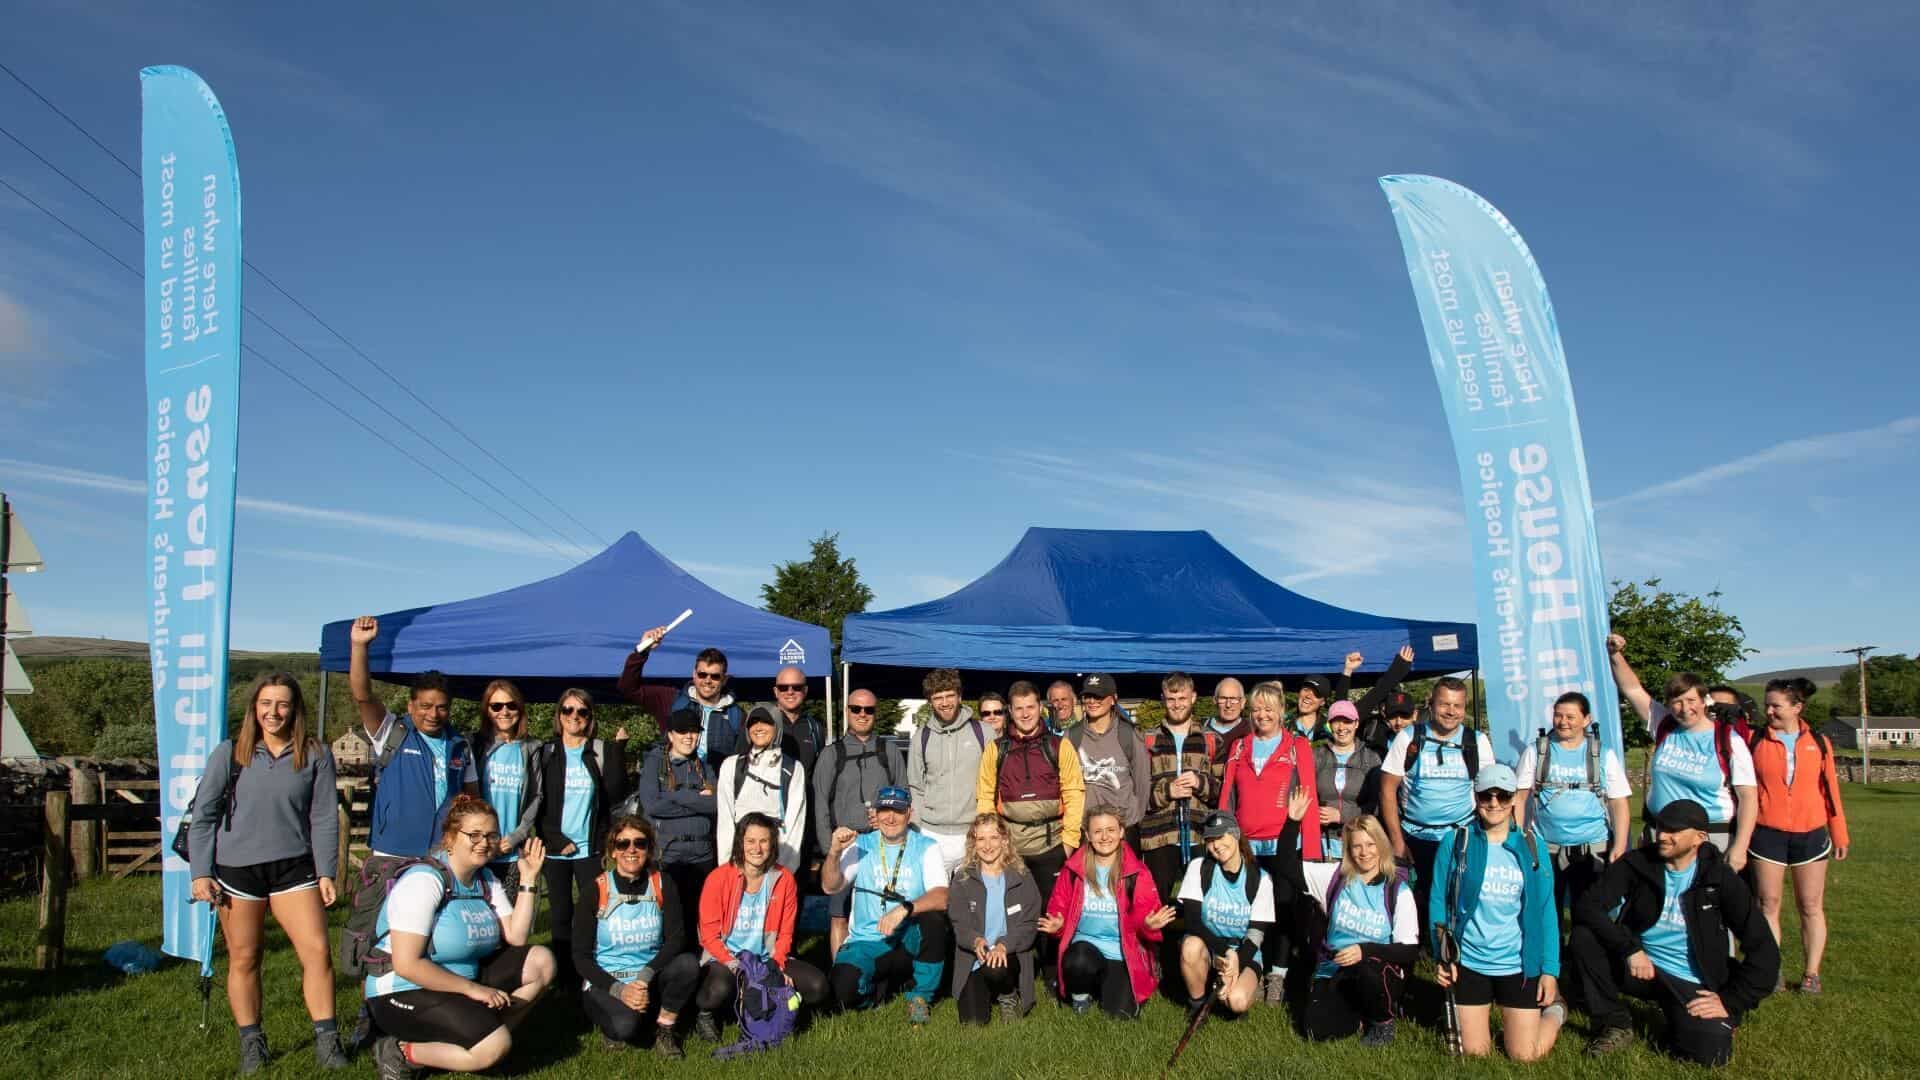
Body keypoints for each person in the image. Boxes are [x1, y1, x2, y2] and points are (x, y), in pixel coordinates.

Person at [188, 672, 345, 1072]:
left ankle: (328, 1040)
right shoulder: (229, 753)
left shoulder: (315, 753)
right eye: (266, 704)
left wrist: (327, 871)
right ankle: (252, 1043)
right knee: (245, 957)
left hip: (294, 867)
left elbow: (324, 816)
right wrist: (200, 873)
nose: (274, 712)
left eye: (282, 704)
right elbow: (203, 817)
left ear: (295, 709)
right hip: (237, 872)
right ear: (254, 709)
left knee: (317, 953)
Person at [345, 615, 478, 1050]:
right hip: (392, 856)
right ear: (411, 706)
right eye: (424, 705)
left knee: (427, 938)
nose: (432, 713)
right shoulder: (393, 732)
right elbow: (362, 693)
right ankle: (369, 1013)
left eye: (440, 706)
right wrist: (360, 646)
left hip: (439, 860)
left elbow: (471, 798)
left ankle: (422, 1008)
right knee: (376, 939)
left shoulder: (460, 745)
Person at [1570, 798, 1780, 1065]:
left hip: (1692, 979)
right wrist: (1630, 949)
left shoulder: (1720, 879)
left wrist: (1731, 1001)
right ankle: (1614, 1022)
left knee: (1711, 1054)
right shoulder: (1638, 863)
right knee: (1583, 938)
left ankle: (1681, 1017)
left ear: (1699, 838)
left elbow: (1764, 950)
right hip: (1640, 967)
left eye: (1674, 831)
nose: (1663, 836)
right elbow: (1588, 905)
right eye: (1661, 827)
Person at [364, 795, 556, 1080]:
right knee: (494, 1047)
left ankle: (478, 1031)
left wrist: (528, 879)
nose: (484, 842)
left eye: (491, 835)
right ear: (450, 838)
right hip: (402, 989)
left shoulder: (485, 879)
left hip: (460, 982)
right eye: (474, 834)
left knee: (542, 961)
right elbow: (407, 965)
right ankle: (402, 1052)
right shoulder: (424, 881)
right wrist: (473, 990)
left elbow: (516, 937)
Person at [1430, 764, 1563, 1062]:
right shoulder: (1456, 842)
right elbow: (1439, 902)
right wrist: (1443, 956)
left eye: (1502, 796)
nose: (1494, 804)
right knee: (1475, 1054)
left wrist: (1550, 971)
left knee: (1525, 1055)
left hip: (1517, 964)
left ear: (1514, 798)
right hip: (1470, 962)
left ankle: (1555, 1012)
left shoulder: (1532, 845)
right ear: (1475, 797)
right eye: (1486, 796)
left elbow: (1546, 912)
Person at [1275, 793, 1418, 1046]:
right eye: (1357, 846)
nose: (1364, 853)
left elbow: (1408, 951)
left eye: (1370, 844)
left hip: (1377, 967)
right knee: (1315, 1031)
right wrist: (1292, 821)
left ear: (1381, 846)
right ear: (1348, 850)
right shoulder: (1335, 876)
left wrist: (1364, 950)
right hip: (1336, 968)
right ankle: (1357, 1011)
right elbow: (1286, 866)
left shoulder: (1398, 889)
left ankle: (1382, 1021)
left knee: (1368, 972)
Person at [1608, 634, 1757, 866]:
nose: (1684, 708)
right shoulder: (1664, 725)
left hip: (1710, 838)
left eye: (1690, 700)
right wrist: (1615, 654)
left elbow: (1748, 797)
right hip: (1661, 835)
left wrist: (1740, 847)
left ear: (1704, 701)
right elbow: (1632, 689)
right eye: (1676, 702)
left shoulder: (1728, 740)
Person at [1218, 679, 1321, 1002]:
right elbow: (1226, 797)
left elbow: (1309, 797)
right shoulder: (1239, 746)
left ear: (1281, 712)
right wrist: (1224, 837)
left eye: (1269, 709)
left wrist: (1313, 851)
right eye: (1257, 708)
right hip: (1247, 845)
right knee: (1252, 912)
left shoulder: (1297, 746)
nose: (1262, 715)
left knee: (1284, 911)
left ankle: (1278, 975)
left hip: (1285, 844)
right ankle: (1252, 967)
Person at [521, 687, 628, 989]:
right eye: (568, 710)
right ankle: (564, 980)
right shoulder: (546, 753)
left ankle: (591, 975)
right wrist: (553, 838)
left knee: (593, 914)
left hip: (589, 850)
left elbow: (615, 795)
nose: (574, 717)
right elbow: (536, 802)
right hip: (554, 851)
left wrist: (619, 749)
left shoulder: (599, 750)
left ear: (590, 717)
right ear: (559, 715)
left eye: (581, 711)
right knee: (560, 916)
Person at [1749, 676, 1850, 994]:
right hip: (1767, 834)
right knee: (1769, 905)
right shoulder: (1755, 740)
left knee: (1810, 906)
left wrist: (1839, 832)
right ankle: (1772, 970)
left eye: (1776, 705)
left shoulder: (1819, 742)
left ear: (1797, 707)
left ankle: (1811, 974)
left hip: (1811, 833)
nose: (1769, 711)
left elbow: (1830, 790)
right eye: (1767, 704)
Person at [1377, 677, 1495, 943]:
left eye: (1458, 705)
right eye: (1444, 704)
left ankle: (1452, 949)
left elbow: (1489, 793)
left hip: (1459, 835)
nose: (1451, 711)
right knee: (1416, 898)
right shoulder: (1409, 737)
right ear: (1431, 704)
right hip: (1414, 836)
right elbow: (1387, 789)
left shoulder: (1476, 741)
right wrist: (1396, 841)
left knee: (1456, 895)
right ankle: (1415, 950)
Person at [694, 812, 830, 1044]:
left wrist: (776, 967)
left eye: (764, 841)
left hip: (766, 958)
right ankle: (707, 1013)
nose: (757, 848)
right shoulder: (718, 878)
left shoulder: (784, 879)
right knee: (717, 989)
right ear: (740, 843)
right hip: (727, 958)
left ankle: (770, 1006)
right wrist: (740, 968)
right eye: (750, 841)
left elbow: (786, 933)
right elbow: (708, 936)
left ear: (772, 844)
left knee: (818, 986)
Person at [821, 786, 952, 1025]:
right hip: (868, 941)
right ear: (875, 814)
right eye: (885, 810)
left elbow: (942, 896)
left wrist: (905, 908)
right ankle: (882, 992)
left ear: (909, 814)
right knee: (841, 990)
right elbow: (830, 886)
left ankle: (920, 997)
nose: (890, 818)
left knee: (933, 919)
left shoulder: (926, 846)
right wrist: (833, 853)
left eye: (898, 811)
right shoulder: (861, 844)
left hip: (908, 940)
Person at [575, 814, 700, 1057]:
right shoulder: (596, 890)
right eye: (623, 844)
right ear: (612, 851)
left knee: (688, 964)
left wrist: (644, 977)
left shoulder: (663, 883)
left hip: (648, 976)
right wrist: (619, 990)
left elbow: (677, 937)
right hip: (607, 979)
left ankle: (665, 1029)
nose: (631, 850)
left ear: (649, 849)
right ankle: (615, 1027)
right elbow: (580, 956)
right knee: (626, 1028)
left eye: (640, 843)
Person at [1037, 808, 1175, 1018]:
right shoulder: (1073, 870)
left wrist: (1148, 925)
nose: (1105, 837)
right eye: (1098, 831)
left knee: (1120, 1016)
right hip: (1085, 948)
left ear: (1121, 832)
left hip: (1121, 951)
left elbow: (1143, 919)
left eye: (1111, 830)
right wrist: (1058, 926)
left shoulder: (1137, 872)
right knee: (1078, 960)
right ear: (1088, 836)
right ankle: (1081, 995)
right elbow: (1059, 911)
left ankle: (1107, 985)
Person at [1513, 691, 1632, 915]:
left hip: (1593, 848)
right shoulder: (1537, 751)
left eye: (1570, 717)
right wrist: (1519, 838)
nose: (1562, 722)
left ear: (1586, 719)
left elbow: (1619, 802)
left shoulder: (1602, 754)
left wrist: (1620, 845)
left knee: (1589, 914)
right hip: (1546, 848)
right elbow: (1519, 799)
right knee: (1546, 912)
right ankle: (1553, 951)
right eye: (1558, 716)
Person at [815, 687, 907, 955]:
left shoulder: (889, 751)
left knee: (880, 910)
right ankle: (840, 973)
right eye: (856, 708)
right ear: (847, 711)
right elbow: (820, 804)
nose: (863, 714)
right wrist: (828, 851)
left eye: (869, 709)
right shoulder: (832, 754)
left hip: (881, 843)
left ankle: (876, 971)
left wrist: (890, 822)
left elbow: (904, 796)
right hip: (844, 845)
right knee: (839, 915)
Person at [1174, 810, 1276, 1018]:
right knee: (1190, 946)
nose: (1216, 845)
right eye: (1210, 840)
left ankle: (1235, 986)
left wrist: (1236, 963)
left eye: (1220, 837)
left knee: (1236, 1002)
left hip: (1243, 950)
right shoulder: (1199, 868)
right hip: (1210, 947)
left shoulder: (1260, 878)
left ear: (1236, 834)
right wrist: (1225, 952)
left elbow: (1256, 934)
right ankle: (1198, 1004)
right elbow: (1193, 922)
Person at [949, 813, 1043, 1024]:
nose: (988, 845)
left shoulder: (1022, 875)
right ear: (973, 843)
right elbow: (959, 925)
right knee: (973, 1023)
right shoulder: (962, 878)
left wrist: (1003, 945)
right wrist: (975, 940)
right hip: (976, 957)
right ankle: (988, 992)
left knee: (996, 967)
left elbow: (1029, 924)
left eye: (993, 837)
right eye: (981, 839)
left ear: (1004, 840)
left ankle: (1009, 994)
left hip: (1009, 956)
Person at [635, 705, 719, 943]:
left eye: (693, 731)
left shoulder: (704, 767)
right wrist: (695, 801)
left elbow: (715, 804)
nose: (689, 737)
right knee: (668, 921)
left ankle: (695, 971)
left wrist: (674, 797)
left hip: (702, 856)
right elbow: (652, 805)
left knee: (698, 921)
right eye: (682, 731)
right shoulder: (654, 763)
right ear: (670, 734)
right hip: (668, 856)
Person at [1141, 671, 1224, 904]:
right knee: (1156, 907)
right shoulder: (1146, 739)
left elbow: (1224, 792)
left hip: (1200, 834)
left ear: (1194, 697)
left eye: (1182, 699)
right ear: (1163, 699)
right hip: (1159, 836)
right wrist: (1167, 791)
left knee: (1199, 906)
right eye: (1171, 699)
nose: (1177, 705)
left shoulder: (1211, 740)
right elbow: (1136, 794)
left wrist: (1200, 784)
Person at [619, 635, 746, 771]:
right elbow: (628, 688)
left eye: (715, 676)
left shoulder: (737, 715)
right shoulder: (671, 699)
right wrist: (642, 651)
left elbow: (743, 762)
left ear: (724, 679)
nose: (708, 681)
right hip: (673, 787)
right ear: (694, 674)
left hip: (717, 789)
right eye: (702, 674)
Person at [907, 668, 987, 875]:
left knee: (971, 903)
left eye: (950, 695)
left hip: (973, 832)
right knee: (934, 902)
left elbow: (994, 784)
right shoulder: (921, 738)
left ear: (960, 696)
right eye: (938, 697)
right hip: (932, 833)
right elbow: (916, 786)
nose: (945, 702)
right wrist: (916, 830)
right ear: (930, 701)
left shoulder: (984, 733)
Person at [716, 706, 808, 873]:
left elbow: (795, 822)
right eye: (753, 723)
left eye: (765, 722)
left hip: (776, 856)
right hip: (739, 858)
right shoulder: (731, 765)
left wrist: (783, 871)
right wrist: (727, 867)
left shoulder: (793, 768)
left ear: (777, 726)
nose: (758, 727)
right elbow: (725, 820)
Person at [1070, 674, 1150, 845]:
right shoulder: (1072, 736)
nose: (1092, 701)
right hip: (1086, 830)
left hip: (1124, 830)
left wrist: (1132, 819)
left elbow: (1142, 782)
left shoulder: (1128, 734)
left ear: (1113, 699)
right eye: (1088, 696)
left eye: (1098, 696)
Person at [474, 680, 534, 902]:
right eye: (496, 706)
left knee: (509, 926)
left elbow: (536, 798)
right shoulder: (476, 746)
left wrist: (516, 837)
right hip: (478, 850)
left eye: (511, 705)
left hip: (511, 852)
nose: (504, 711)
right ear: (487, 710)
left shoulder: (530, 749)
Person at [1312, 700, 1383, 861]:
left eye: (1347, 721)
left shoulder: (1371, 758)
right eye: (1337, 721)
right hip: (1322, 843)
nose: (1342, 727)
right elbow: (1305, 795)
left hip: (1359, 842)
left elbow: (1377, 806)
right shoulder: (1316, 755)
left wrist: (1342, 815)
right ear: (1330, 724)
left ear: (1356, 723)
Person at [1368, 690, 1420, 758]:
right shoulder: (1376, 745)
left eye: (1404, 716)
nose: (1398, 722)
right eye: (1392, 716)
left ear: (1415, 715)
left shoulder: (1426, 744)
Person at [1206, 677, 1249, 748]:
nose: (1228, 705)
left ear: (1243, 702)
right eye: (1223, 698)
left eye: (1234, 699)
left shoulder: (1252, 731)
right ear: (1215, 701)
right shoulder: (1201, 729)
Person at [1289, 675, 1334, 743]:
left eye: (1316, 694)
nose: (1308, 696)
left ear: (1322, 702)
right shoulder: (1283, 724)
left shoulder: (1329, 729)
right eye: (1306, 690)